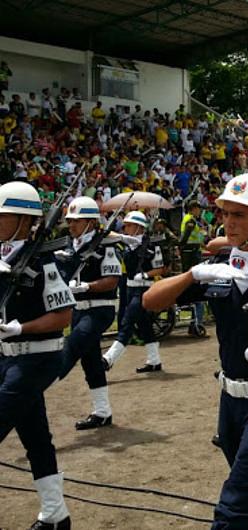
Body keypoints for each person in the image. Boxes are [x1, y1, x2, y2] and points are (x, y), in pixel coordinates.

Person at [142, 172, 248, 530]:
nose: (229, 223)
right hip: (230, 403)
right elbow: (150, 302)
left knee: (235, 506)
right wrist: (193, 274)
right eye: (226, 213)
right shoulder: (219, 265)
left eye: (240, 215)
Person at [0, 181, 75, 530]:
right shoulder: (2, 255)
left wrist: (21, 328)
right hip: (7, 357)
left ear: (23, 219)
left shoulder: (44, 260)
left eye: (3, 215)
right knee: (35, 437)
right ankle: (55, 514)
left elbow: (63, 316)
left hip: (37, 356)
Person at [58, 197, 122, 429]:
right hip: (77, 311)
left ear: (91, 222)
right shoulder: (68, 245)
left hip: (98, 310)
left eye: (77, 220)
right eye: (70, 220)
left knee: (72, 345)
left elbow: (112, 280)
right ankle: (103, 412)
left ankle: (39, 385)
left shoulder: (105, 245)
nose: (71, 225)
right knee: (91, 361)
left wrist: (87, 286)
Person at [102, 211, 169, 373]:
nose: (126, 228)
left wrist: (146, 274)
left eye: (129, 225)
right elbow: (109, 235)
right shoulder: (128, 242)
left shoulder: (152, 245)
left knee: (127, 322)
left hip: (144, 288)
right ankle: (154, 361)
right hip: (130, 288)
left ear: (139, 227)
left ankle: (108, 359)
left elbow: (161, 268)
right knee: (144, 325)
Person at [180, 201, 207, 335]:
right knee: (196, 290)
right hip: (191, 254)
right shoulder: (190, 220)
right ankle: (197, 323)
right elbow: (185, 238)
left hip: (192, 253)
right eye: (198, 209)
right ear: (193, 209)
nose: (199, 212)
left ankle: (195, 323)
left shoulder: (193, 220)